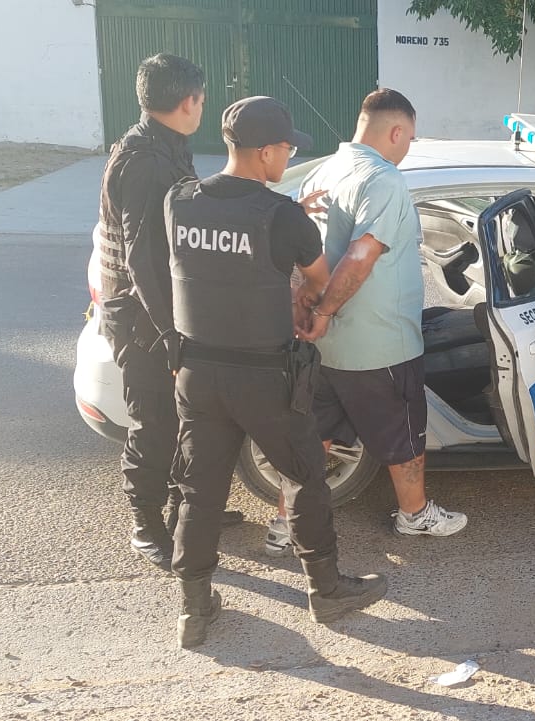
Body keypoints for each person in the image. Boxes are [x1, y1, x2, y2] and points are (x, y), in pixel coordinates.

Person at [164, 96, 387, 648]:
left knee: (201, 489)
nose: (289, 155)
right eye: (286, 148)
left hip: (197, 371)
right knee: (306, 474)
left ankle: (194, 609)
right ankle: (327, 591)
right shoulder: (282, 216)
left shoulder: (181, 201)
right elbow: (316, 279)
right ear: (265, 151)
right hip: (263, 377)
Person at [263, 88, 466, 554]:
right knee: (403, 434)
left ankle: (284, 525)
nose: (408, 147)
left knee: (314, 434)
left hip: (320, 344)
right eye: (410, 138)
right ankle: (414, 515)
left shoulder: (322, 172)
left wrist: (306, 305)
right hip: (378, 344)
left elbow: (301, 251)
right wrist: (329, 310)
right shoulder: (384, 180)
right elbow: (361, 254)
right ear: (396, 131)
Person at [96, 53, 240, 572]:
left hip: (162, 313)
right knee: (153, 421)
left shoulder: (165, 147)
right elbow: (141, 259)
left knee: (185, 417)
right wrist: (168, 333)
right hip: (144, 318)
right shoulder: (145, 161)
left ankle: (187, 510)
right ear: (188, 102)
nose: (202, 107)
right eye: (202, 99)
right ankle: (145, 525)